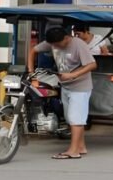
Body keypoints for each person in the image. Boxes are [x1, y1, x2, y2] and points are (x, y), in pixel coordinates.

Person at [27, 27, 96, 160]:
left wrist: (72, 75)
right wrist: (31, 72)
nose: (55, 47)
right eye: (53, 45)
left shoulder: (78, 44)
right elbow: (33, 50)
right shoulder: (53, 42)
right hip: (65, 86)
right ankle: (81, 146)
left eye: (58, 44)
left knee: (76, 119)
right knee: (71, 118)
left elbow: (92, 64)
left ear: (66, 38)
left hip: (80, 87)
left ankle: (73, 151)